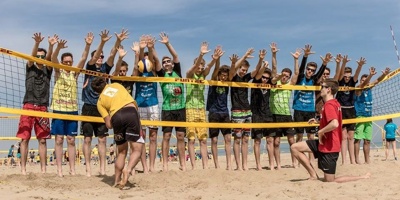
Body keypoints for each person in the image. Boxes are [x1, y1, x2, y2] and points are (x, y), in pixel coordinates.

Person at [291, 78, 370, 182]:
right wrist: (319, 120)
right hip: (323, 143)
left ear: (328, 89)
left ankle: (361, 177)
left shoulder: (329, 105)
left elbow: (335, 123)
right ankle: (313, 175)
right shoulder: (334, 103)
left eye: (322, 87)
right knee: (295, 147)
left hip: (330, 147)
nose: (320, 89)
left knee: (331, 180)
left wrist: (320, 131)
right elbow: (331, 120)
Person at [81, 29, 128, 177]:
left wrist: (118, 41)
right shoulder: (89, 67)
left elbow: (112, 55)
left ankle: (102, 169)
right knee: (87, 139)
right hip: (88, 106)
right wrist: (101, 42)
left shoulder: (105, 68)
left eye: (102, 56)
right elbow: (95, 56)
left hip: (102, 107)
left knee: (102, 140)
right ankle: (88, 168)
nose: (100, 58)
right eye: (98, 56)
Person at [50, 32, 93, 177]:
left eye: (70, 61)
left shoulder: (74, 74)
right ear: (62, 63)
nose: (68, 63)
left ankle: (72, 169)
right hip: (59, 109)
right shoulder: (58, 72)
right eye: (66, 61)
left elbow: (83, 58)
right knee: (59, 139)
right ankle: (59, 170)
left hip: (72, 110)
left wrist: (87, 45)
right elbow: (53, 59)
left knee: (71, 140)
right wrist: (57, 47)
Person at [92, 76, 144, 190]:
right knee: (137, 150)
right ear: (105, 81)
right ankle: (128, 169)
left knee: (121, 152)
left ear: (96, 92)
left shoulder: (99, 102)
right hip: (130, 112)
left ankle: (116, 181)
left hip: (116, 117)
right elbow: (132, 102)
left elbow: (109, 125)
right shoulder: (117, 85)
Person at [16, 33, 58, 175]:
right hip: (28, 105)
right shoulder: (30, 67)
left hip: (42, 107)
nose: (39, 58)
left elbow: (49, 58)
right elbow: (31, 57)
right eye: (37, 56)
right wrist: (37, 44)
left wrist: (51, 46)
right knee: (24, 139)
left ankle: (43, 169)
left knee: (43, 140)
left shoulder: (48, 69)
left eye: (42, 56)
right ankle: (23, 169)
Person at [186, 42, 222, 170]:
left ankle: (205, 166)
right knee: (191, 140)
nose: (200, 68)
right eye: (198, 66)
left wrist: (214, 60)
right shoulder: (189, 74)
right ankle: (193, 166)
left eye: (201, 66)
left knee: (203, 140)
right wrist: (201, 55)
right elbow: (194, 67)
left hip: (200, 109)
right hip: (190, 109)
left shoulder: (203, 75)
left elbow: (208, 68)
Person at [292, 45, 331, 164]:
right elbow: (301, 68)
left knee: (310, 136)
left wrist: (324, 64)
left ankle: (311, 160)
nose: (310, 71)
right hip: (298, 109)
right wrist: (304, 56)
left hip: (310, 110)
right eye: (309, 69)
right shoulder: (301, 78)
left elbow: (319, 74)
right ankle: (296, 161)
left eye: (312, 70)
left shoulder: (314, 79)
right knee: (298, 136)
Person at [155, 32, 186, 171]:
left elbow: (176, 56)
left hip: (180, 108)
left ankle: (182, 163)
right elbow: (155, 60)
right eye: (164, 62)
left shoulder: (177, 72)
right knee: (166, 136)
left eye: (168, 61)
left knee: (180, 136)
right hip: (167, 108)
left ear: (172, 65)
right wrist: (152, 47)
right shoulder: (161, 75)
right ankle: (165, 163)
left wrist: (167, 43)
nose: (166, 63)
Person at [228, 48, 262, 171]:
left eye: (245, 70)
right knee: (237, 139)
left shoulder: (246, 77)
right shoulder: (233, 77)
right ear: (238, 69)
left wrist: (261, 59)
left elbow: (255, 71)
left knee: (246, 139)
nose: (244, 72)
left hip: (247, 111)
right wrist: (245, 55)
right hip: (237, 110)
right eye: (242, 70)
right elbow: (232, 70)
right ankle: (238, 165)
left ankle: (245, 164)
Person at [270, 46, 301, 169]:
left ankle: (294, 163)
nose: (285, 77)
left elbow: (297, 73)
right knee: (276, 142)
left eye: (287, 76)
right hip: (275, 115)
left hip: (287, 115)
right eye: (283, 75)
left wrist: (296, 60)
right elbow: (273, 69)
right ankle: (278, 165)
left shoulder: (289, 85)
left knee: (292, 142)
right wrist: (274, 54)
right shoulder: (275, 82)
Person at [354, 67, 390, 164]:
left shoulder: (369, 88)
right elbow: (363, 84)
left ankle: (367, 160)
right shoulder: (357, 89)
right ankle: (357, 160)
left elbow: (377, 80)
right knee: (357, 139)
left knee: (367, 140)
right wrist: (369, 76)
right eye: (363, 80)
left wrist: (384, 74)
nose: (365, 82)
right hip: (360, 117)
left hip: (369, 117)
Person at [207, 51, 235, 170]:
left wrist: (232, 63)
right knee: (214, 140)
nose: (223, 77)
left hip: (224, 113)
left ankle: (229, 164)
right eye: (222, 75)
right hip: (213, 112)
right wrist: (217, 59)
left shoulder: (227, 83)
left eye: (225, 75)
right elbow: (215, 71)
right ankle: (216, 164)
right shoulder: (214, 81)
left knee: (228, 138)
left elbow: (232, 73)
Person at [336, 55, 365, 165]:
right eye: (345, 75)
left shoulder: (353, 82)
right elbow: (339, 74)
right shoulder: (339, 81)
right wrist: (343, 63)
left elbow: (356, 75)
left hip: (351, 110)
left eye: (348, 75)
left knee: (351, 137)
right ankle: (344, 161)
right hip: (341, 110)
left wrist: (360, 66)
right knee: (343, 137)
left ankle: (352, 160)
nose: (347, 77)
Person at [250, 49, 273, 171]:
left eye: (266, 78)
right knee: (257, 141)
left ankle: (271, 164)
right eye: (263, 77)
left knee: (270, 140)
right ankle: (258, 165)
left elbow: (274, 74)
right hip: (256, 114)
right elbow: (258, 75)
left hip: (267, 114)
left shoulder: (270, 84)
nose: (264, 79)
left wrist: (273, 55)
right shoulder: (255, 81)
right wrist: (262, 64)